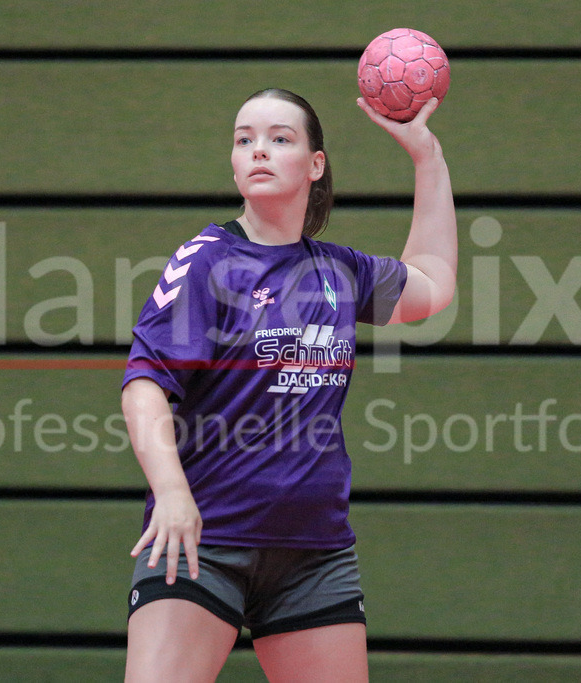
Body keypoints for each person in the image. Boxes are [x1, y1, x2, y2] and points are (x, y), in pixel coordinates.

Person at [120, 87, 456, 682]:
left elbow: (433, 283)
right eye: (244, 139)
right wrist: (171, 492)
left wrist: (427, 159)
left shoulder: (339, 271)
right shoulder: (206, 262)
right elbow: (145, 383)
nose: (258, 151)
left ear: (315, 164)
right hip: (205, 540)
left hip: (314, 553)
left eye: (280, 139)